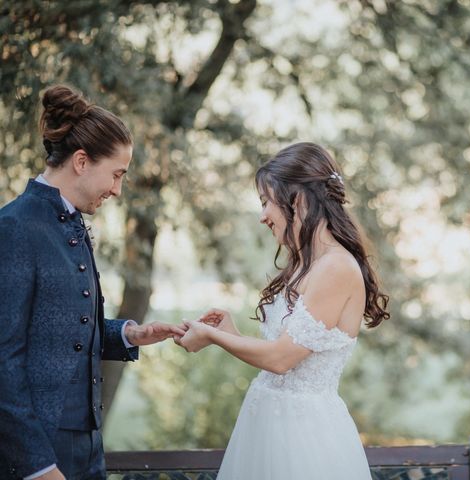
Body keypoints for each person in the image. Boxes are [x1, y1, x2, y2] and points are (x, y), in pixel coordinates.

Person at [0, 84, 186, 480]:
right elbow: (3, 361)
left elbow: (65, 332)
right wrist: (38, 467)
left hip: (88, 449)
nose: (117, 190)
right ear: (82, 161)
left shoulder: (73, 224)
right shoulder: (14, 228)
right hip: (39, 454)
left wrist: (129, 335)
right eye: (116, 175)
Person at [176, 142, 390, 479]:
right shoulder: (306, 264)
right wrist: (230, 333)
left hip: (303, 437)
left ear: (299, 200)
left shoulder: (336, 268)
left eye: (265, 202)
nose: (262, 216)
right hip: (267, 426)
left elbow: (281, 359)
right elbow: (281, 357)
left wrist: (214, 338)